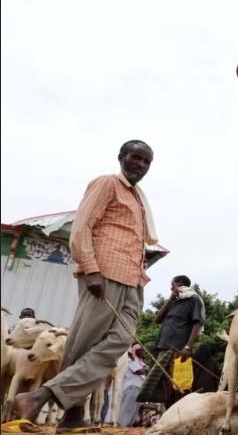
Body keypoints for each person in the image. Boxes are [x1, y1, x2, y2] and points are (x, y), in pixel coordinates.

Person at [14, 140, 157, 432]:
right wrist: (90, 269)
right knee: (83, 344)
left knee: (120, 341)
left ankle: (41, 396)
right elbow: (81, 227)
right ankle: (71, 416)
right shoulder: (107, 184)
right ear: (121, 158)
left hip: (132, 279)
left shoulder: (138, 199)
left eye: (146, 162)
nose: (140, 165)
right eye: (136, 158)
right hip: (104, 273)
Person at [137, 275, 205, 406]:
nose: (170, 288)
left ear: (179, 284)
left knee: (177, 384)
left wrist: (188, 347)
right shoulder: (174, 301)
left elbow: (197, 324)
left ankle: (181, 410)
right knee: (163, 384)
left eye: (172, 285)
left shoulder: (193, 299)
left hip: (178, 349)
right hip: (164, 346)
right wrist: (170, 299)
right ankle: (169, 411)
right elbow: (157, 319)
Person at [118, 343, 147, 427]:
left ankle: (128, 426)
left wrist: (146, 369)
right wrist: (146, 369)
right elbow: (140, 371)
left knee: (134, 410)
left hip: (139, 388)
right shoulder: (129, 360)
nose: (143, 352)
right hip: (132, 387)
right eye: (141, 350)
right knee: (127, 408)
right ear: (135, 351)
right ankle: (122, 426)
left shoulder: (140, 362)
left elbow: (145, 370)